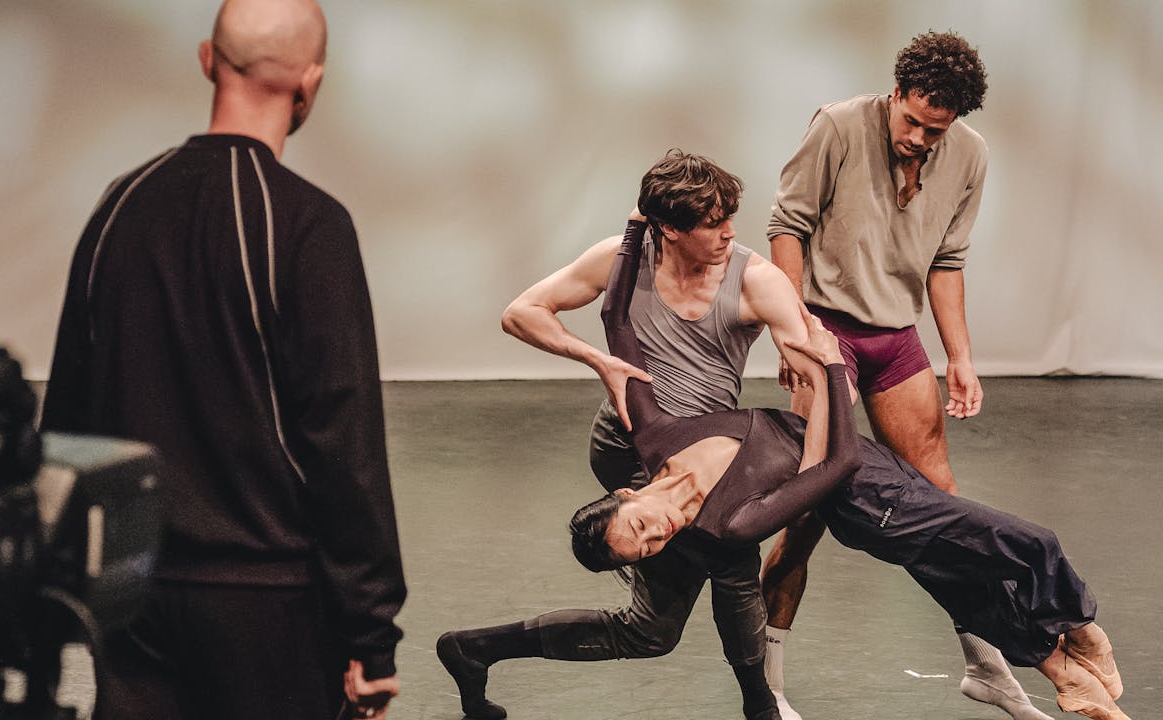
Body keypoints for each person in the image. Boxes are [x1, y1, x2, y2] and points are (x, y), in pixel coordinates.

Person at [569, 213, 1131, 720]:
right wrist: (832, 370)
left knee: (958, 572)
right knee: (1032, 543)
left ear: (627, 493)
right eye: (647, 550)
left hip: (878, 471)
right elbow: (833, 466)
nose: (659, 535)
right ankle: (1081, 632)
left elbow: (616, 318)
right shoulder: (728, 526)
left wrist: (636, 229)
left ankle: (1053, 668)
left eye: (640, 528)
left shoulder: (655, 434)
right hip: (869, 503)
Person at [40, 1, 405, 718]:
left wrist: (55, 586)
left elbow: (68, 416)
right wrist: (372, 630)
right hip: (270, 608)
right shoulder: (310, 225)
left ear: (208, 60)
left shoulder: (121, 204)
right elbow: (342, 442)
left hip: (132, 598)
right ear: (312, 81)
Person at [438, 151, 830, 720]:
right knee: (729, 553)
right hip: (627, 448)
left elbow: (816, 366)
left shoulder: (755, 280)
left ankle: (475, 649)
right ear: (668, 228)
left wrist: (813, 437)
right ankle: (761, 707)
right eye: (713, 223)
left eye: (729, 217)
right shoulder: (621, 261)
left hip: (705, 452)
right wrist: (599, 361)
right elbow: (522, 312)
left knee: (653, 628)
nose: (730, 232)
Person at [761, 30, 1031, 720]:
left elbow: (946, 262)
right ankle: (765, 681)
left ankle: (986, 667)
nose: (919, 137)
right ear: (897, 93)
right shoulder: (838, 126)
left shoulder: (969, 156)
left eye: (935, 130)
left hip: (895, 336)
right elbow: (786, 227)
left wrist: (961, 357)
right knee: (812, 508)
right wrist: (797, 334)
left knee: (943, 505)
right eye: (911, 120)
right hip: (824, 327)